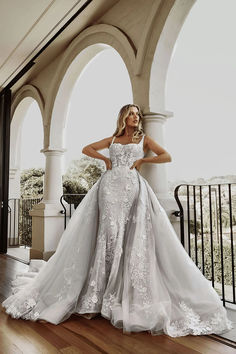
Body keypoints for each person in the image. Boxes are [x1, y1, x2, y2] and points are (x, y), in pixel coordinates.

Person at [2, 104, 233, 337]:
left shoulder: (143, 138)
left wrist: (143, 162)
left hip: (131, 187)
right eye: (131, 113)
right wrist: (105, 159)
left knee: (127, 234)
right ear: (123, 116)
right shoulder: (113, 138)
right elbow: (87, 148)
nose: (135, 117)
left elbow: (167, 156)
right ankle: (99, 291)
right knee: (108, 233)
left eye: (137, 114)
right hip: (108, 187)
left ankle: (118, 290)